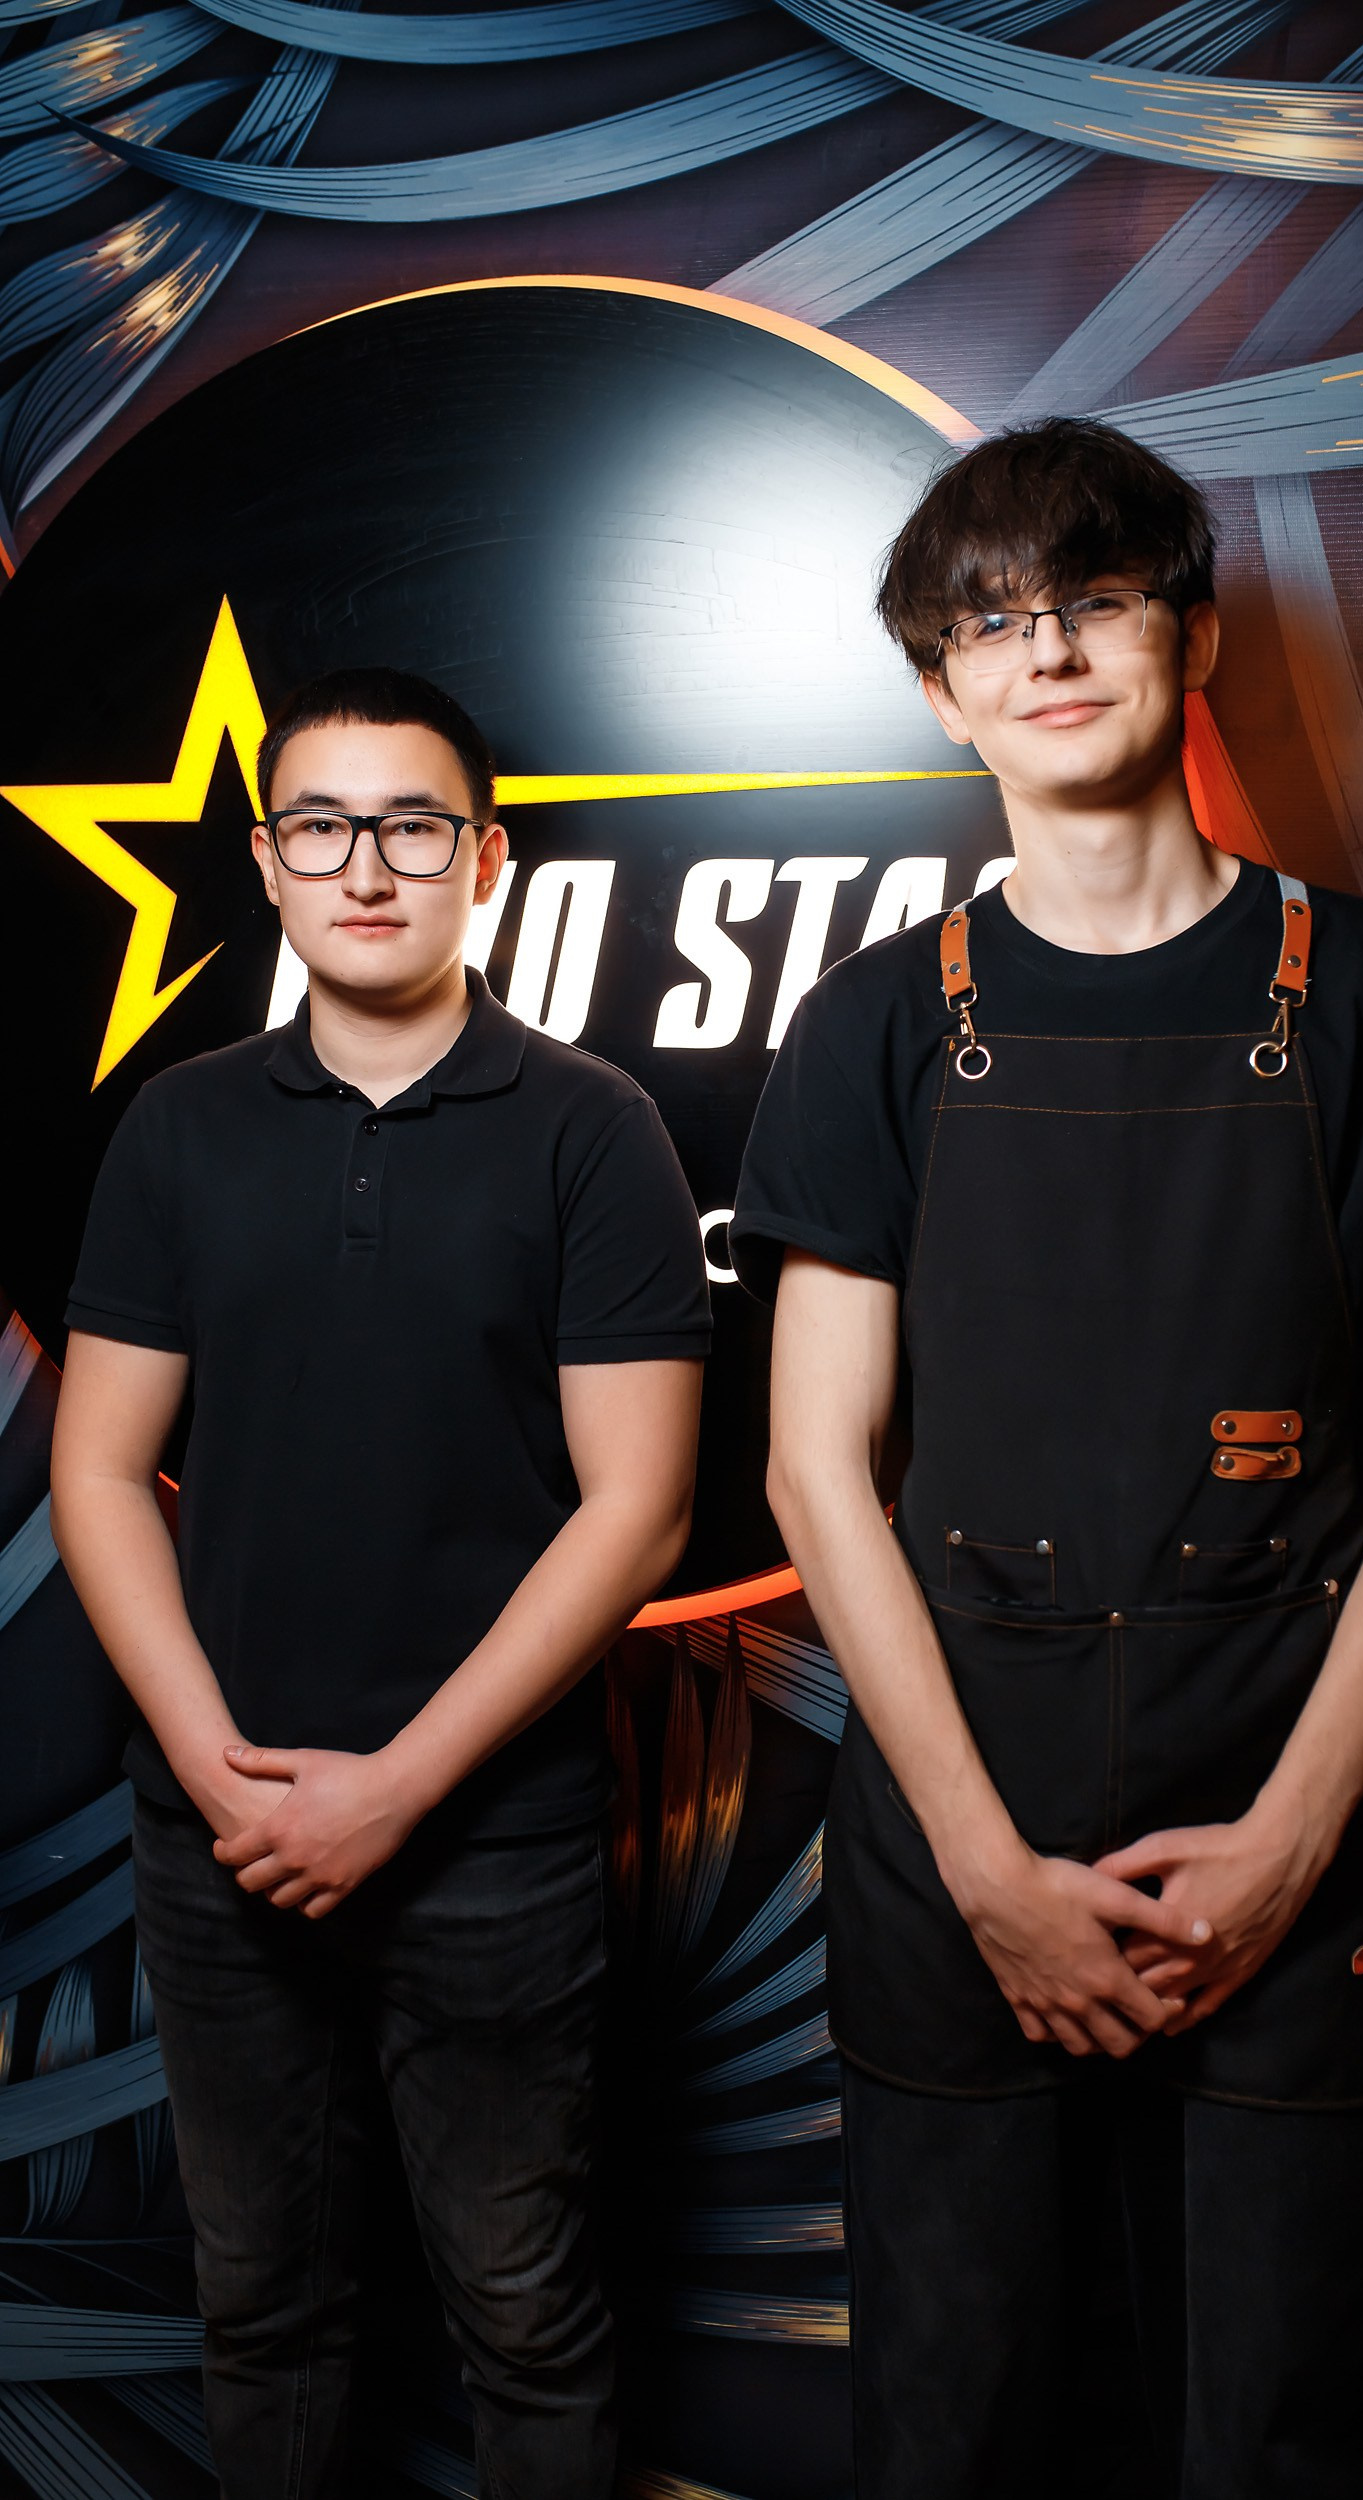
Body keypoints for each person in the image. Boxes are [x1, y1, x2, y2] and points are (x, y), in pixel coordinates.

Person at [732, 421, 1363, 2496]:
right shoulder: (872, 1026)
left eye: (1099, 600)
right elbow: (815, 1472)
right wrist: (988, 1873)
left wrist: (1285, 1849)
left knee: (1287, 2435)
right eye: (994, 622)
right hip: (957, 1854)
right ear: (942, 692)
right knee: (950, 2440)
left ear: (1192, 640)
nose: (1050, 651)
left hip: (1288, 1828)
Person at [51, 669, 710, 2500]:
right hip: (219, 1834)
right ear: (268, 862)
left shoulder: (594, 1128)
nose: (365, 867)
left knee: (526, 2311)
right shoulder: (179, 1127)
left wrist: (399, 1789)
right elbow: (98, 1471)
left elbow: (641, 1510)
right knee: (261, 2308)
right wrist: (217, 1769)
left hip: (492, 1845)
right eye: (322, 827)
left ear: (484, 860)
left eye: (412, 826)